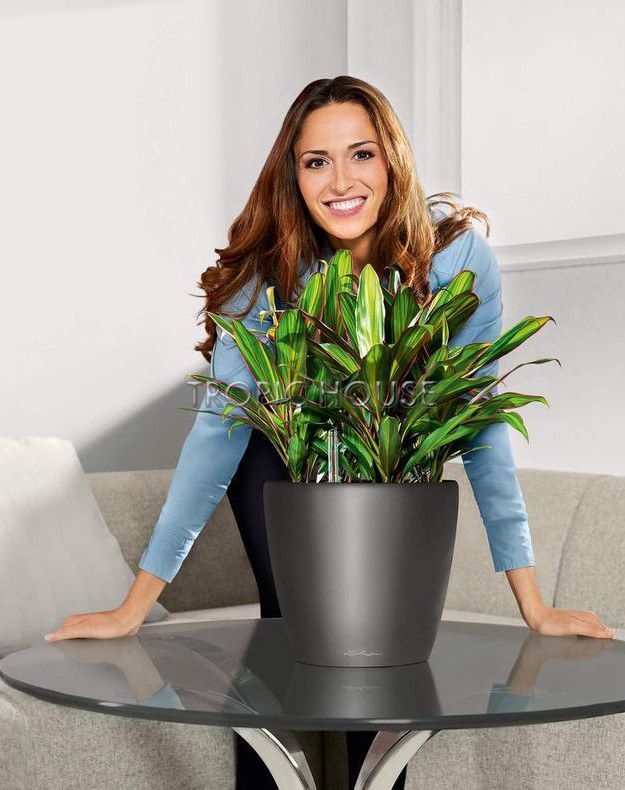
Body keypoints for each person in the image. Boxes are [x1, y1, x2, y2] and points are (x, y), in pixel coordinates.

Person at [44, 76, 615, 790]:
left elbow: (478, 419)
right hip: (281, 465)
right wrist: (134, 606)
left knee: (375, 646)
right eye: (316, 161)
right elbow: (218, 434)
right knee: (293, 636)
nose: (340, 181)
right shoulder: (266, 271)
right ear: (294, 175)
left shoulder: (456, 259)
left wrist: (533, 604)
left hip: (392, 469)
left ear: (392, 161)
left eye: (361, 154)